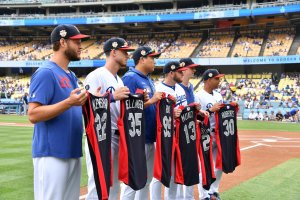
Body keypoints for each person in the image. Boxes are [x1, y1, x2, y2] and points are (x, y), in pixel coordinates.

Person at [28, 24, 89, 200]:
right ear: (62, 42)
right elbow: (33, 114)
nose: (80, 46)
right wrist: (69, 102)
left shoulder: (70, 74)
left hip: (72, 151)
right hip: (51, 154)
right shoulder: (46, 72)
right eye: (76, 41)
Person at [84, 37, 134, 200]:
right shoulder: (96, 75)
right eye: (124, 52)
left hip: (117, 136)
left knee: (113, 185)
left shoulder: (118, 79)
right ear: (113, 52)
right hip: (100, 137)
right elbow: (88, 106)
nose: (128, 55)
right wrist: (112, 96)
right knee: (98, 184)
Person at [121, 46, 163, 199]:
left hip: (149, 137)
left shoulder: (147, 79)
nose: (154, 61)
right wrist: (152, 101)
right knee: (132, 183)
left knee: (146, 180)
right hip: (137, 139)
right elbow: (127, 108)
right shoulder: (130, 78)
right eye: (152, 58)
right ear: (142, 59)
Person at [150, 61, 188, 200]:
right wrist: (171, 113)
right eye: (180, 71)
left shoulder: (180, 89)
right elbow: (153, 114)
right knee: (159, 172)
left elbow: (183, 109)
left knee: (174, 171)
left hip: (177, 134)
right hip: (162, 136)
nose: (183, 73)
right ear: (171, 73)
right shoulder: (158, 89)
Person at [195, 69, 225, 200]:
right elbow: (196, 116)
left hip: (217, 134)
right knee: (205, 166)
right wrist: (210, 110)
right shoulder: (198, 95)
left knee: (219, 165)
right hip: (204, 134)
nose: (219, 81)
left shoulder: (218, 95)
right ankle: (204, 195)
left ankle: (213, 191)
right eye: (216, 79)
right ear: (208, 80)